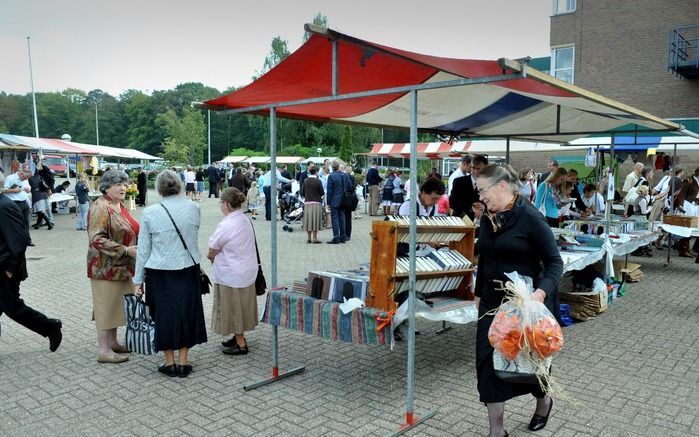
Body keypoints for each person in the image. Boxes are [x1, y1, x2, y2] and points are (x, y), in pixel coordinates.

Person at [474, 164, 563, 437]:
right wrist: (479, 293)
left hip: (526, 306)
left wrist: (541, 292)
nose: (480, 197)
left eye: (483, 190)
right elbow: (486, 257)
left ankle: (544, 402)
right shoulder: (489, 218)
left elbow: (554, 263)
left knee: (531, 364)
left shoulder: (531, 218)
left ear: (502, 186)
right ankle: (497, 430)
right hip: (493, 302)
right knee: (488, 364)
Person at [132, 170, 207, 377]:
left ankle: (169, 362)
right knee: (187, 312)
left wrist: (138, 280)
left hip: (159, 271)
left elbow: (143, 249)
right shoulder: (194, 208)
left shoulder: (150, 212)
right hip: (188, 268)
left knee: (163, 314)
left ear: (158, 189)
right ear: (180, 186)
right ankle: (184, 361)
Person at [0, 172, 62, 352]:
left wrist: (9, 269)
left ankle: (50, 326)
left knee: (13, 308)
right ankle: (49, 326)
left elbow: (20, 240)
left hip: (5, 268)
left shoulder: (5, 206)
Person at [87, 170, 139, 364]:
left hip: (122, 266)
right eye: (118, 184)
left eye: (125, 184)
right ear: (106, 187)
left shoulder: (118, 205)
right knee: (105, 308)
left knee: (116, 306)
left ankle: (113, 343)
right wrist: (125, 250)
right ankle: (104, 351)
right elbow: (96, 239)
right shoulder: (100, 207)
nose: (124, 188)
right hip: (105, 267)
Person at [208, 188, 259, 356]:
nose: (220, 206)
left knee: (233, 308)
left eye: (221, 203)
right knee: (241, 307)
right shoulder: (244, 219)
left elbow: (213, 248)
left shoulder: (227, 224)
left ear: (227, 204)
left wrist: (210, 256)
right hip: (246, 270)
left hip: (232, 273)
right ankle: (238, 336)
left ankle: (240, 343)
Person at [450, 154, 489, 220]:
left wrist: (484, 207)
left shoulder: (489, 184)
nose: (475, 171)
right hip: (461, 222)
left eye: (479, 169)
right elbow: (452, 202)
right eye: (473, 168)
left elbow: (495, 205)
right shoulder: (459, 182)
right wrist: (470, 207)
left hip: (481, 224)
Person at [3, 166, 34, 246]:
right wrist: (14, 190)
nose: (25, 179)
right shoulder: (10, 178)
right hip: (14, 202)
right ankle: (15, 240)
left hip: (24, 202)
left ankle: (27, 240)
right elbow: (4, 190)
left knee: (26, 222)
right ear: (21, 173)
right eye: (25, 178)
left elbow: (24, 189)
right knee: (16, 222)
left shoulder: (24, 180)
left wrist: (27, 190)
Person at [326, 161, 350, 244]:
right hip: (343, 200)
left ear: (333, 167)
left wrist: (328, 202)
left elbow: (329, 190)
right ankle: (343, 237)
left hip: (334, 200)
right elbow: (350, 186)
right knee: (342, 218)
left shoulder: (331, 176)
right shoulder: (346, 175)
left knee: (335, 219)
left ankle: (336, 237)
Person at [29, 163, 54, 230]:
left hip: (37, 196)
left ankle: (49, 223)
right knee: (40, 211)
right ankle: (37, 224)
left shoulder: (30, 179)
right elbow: (45, 185)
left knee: (40, 211)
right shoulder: (39, 177)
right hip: (43, 194)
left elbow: (29, 188)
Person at [303, 167, 324, 244]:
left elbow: (302, 192)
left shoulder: (306, 181)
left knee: (308, 221)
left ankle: (308, 238)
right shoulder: (318, 181)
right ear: (316, 172)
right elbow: (322, 192)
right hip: (316, 203)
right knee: (315, 221)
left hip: (307, 203)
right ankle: (314, 238)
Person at [343, 165, 358, 240]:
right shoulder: (352, 177)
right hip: (350, 199)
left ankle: (343, 233)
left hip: (344, 198)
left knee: (343, 216)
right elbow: (354, 186)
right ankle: (348, 234)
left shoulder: (343, 177)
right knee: (348, 216)